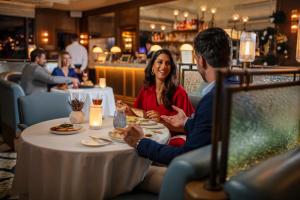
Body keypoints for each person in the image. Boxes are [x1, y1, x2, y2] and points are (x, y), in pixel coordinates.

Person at [123, 27, 237, 165]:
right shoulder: (238, 89)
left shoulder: (212, 100)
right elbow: (210, 129)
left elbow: (184, 157)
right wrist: (186, 122)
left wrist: (140, 142)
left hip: (198, 178)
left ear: (201, 61)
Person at [118, 49, 194, 146]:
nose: (163, 66)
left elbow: (187, 127)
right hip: (152, 135)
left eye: (168, 63)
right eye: (160, 62)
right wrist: (130, 112)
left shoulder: (179, 92)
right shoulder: (146, 90)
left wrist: (161, 121)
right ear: (152, 67)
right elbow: (144, 121)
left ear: (171, 68)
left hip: (175, 138)